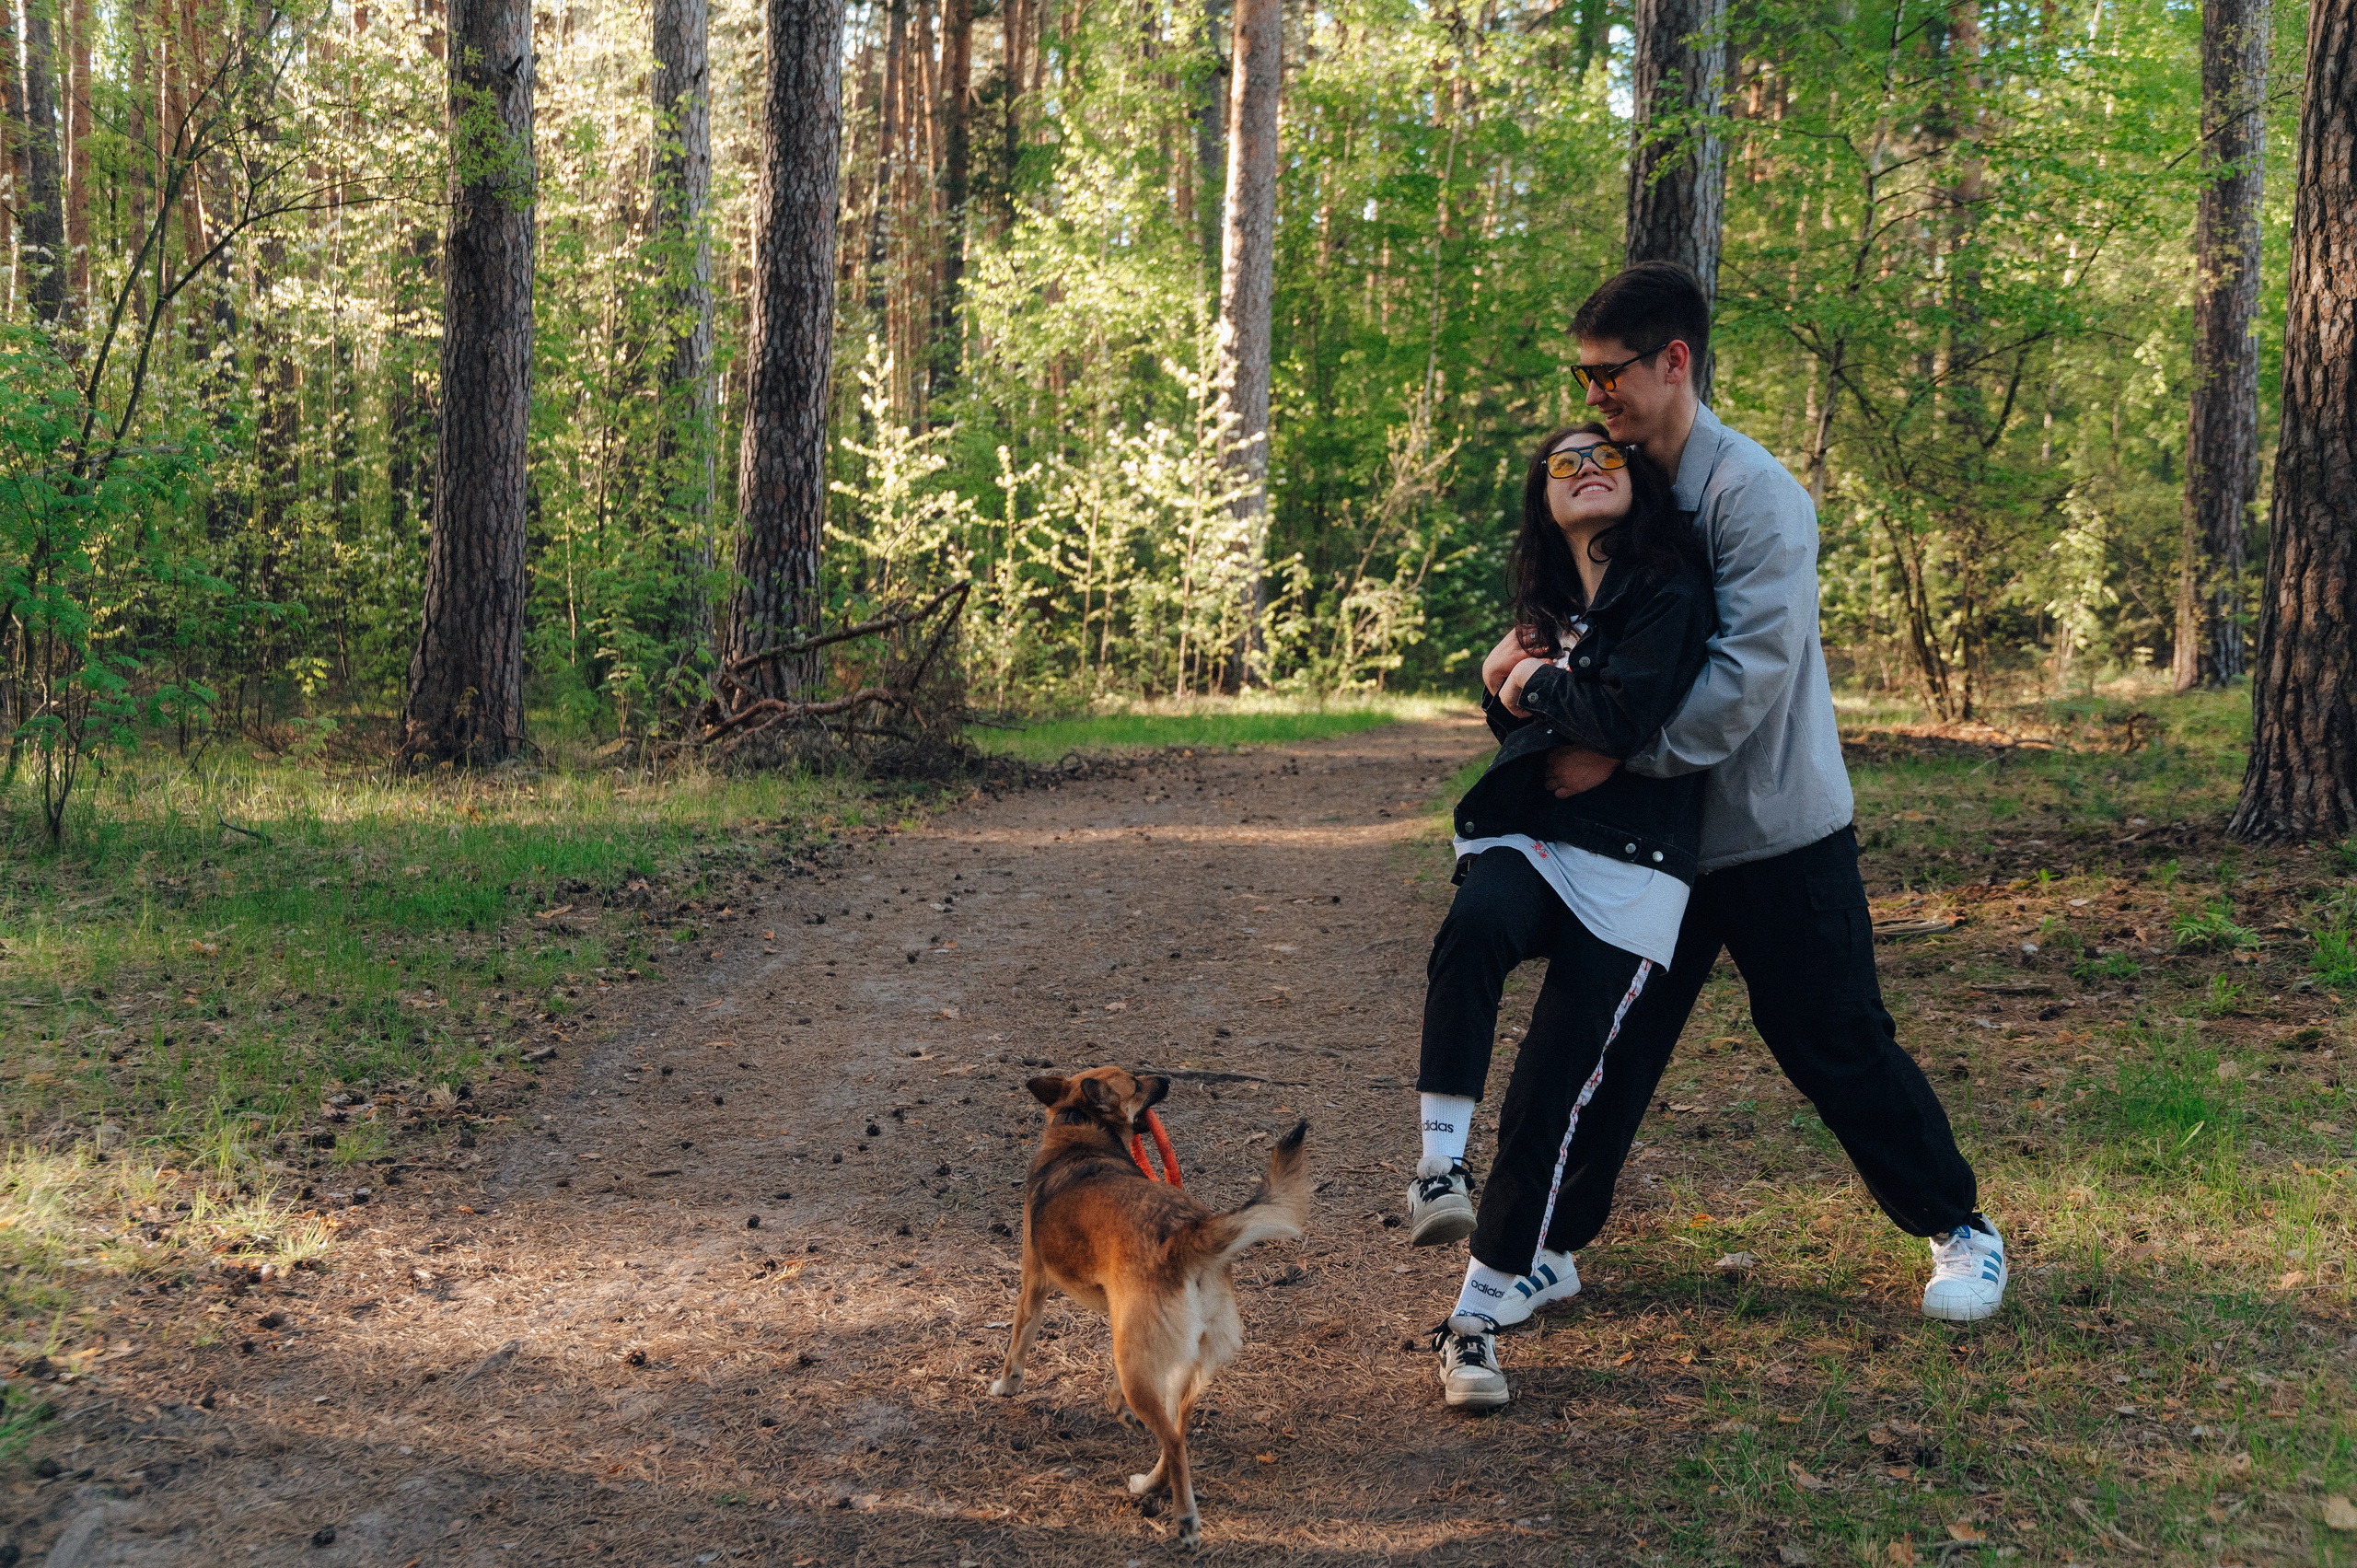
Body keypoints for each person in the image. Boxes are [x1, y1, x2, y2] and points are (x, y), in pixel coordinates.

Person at [1424, 262, 2006, 1410]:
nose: (1595, 400)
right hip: (1651, 844)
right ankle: (1547, 1241)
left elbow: (1746, 678)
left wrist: (1617, 752)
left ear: (1673, 362)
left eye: (1611, 377)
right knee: (1610, 1051)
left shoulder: (1757, 496)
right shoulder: (1620, 482)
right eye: (1582, 380)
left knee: (1830, 1037)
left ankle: (1958, 1225)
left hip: (1772, 831)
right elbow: (1580, 612)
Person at [1407, 422, 1717, 1411]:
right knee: (1473, 926)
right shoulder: (1542, 601)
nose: (1585, 471)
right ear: (1543, 500)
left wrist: (1524, 678)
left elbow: (1627, 719)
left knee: (1553, 1084)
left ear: (1640, 482)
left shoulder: (1670, 587)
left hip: (1635, 859)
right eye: (1562, 464)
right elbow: (1554, 721)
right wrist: (1522, 696)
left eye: (1605, 457)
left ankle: (1476, 1318)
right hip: (1532, 830)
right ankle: (1437, 1167)